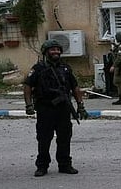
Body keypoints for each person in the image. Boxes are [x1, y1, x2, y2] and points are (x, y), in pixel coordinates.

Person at [22, 39, 89, 177]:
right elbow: (27, 86)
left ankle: (65, 164)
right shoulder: (38, 68)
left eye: (58, 49)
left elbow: (75, 87)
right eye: (52, 49)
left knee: (65, 137)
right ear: (46, 52)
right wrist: (28, 105)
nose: (56, 52)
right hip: (45, 108)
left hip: (63, 108)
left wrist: (80, 105)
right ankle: (42, 166)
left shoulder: (65, 68)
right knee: (44, 138)